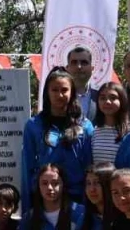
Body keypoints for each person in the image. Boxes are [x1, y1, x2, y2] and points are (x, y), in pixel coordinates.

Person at [21, 68, 94, 211]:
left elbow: (89, 167)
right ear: (47, 92)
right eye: (54, 90)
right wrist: (28, 208)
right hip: (45, 199)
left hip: (77, 200)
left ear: (72, 92)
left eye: (64, 90)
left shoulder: (85, 126)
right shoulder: (33, 125)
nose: (59, 95)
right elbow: (27, 167)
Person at [90, 81, 130, 167]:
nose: (107, 102)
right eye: (102, 98)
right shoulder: (95, 130)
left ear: (122, 100)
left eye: (113, 98)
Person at [66, 46, 98, 121]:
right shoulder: (58, 96)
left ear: (92, 68)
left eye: (84, 62)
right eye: (74, 62)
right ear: (67, 68)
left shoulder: (101, 97)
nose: (79, 66)